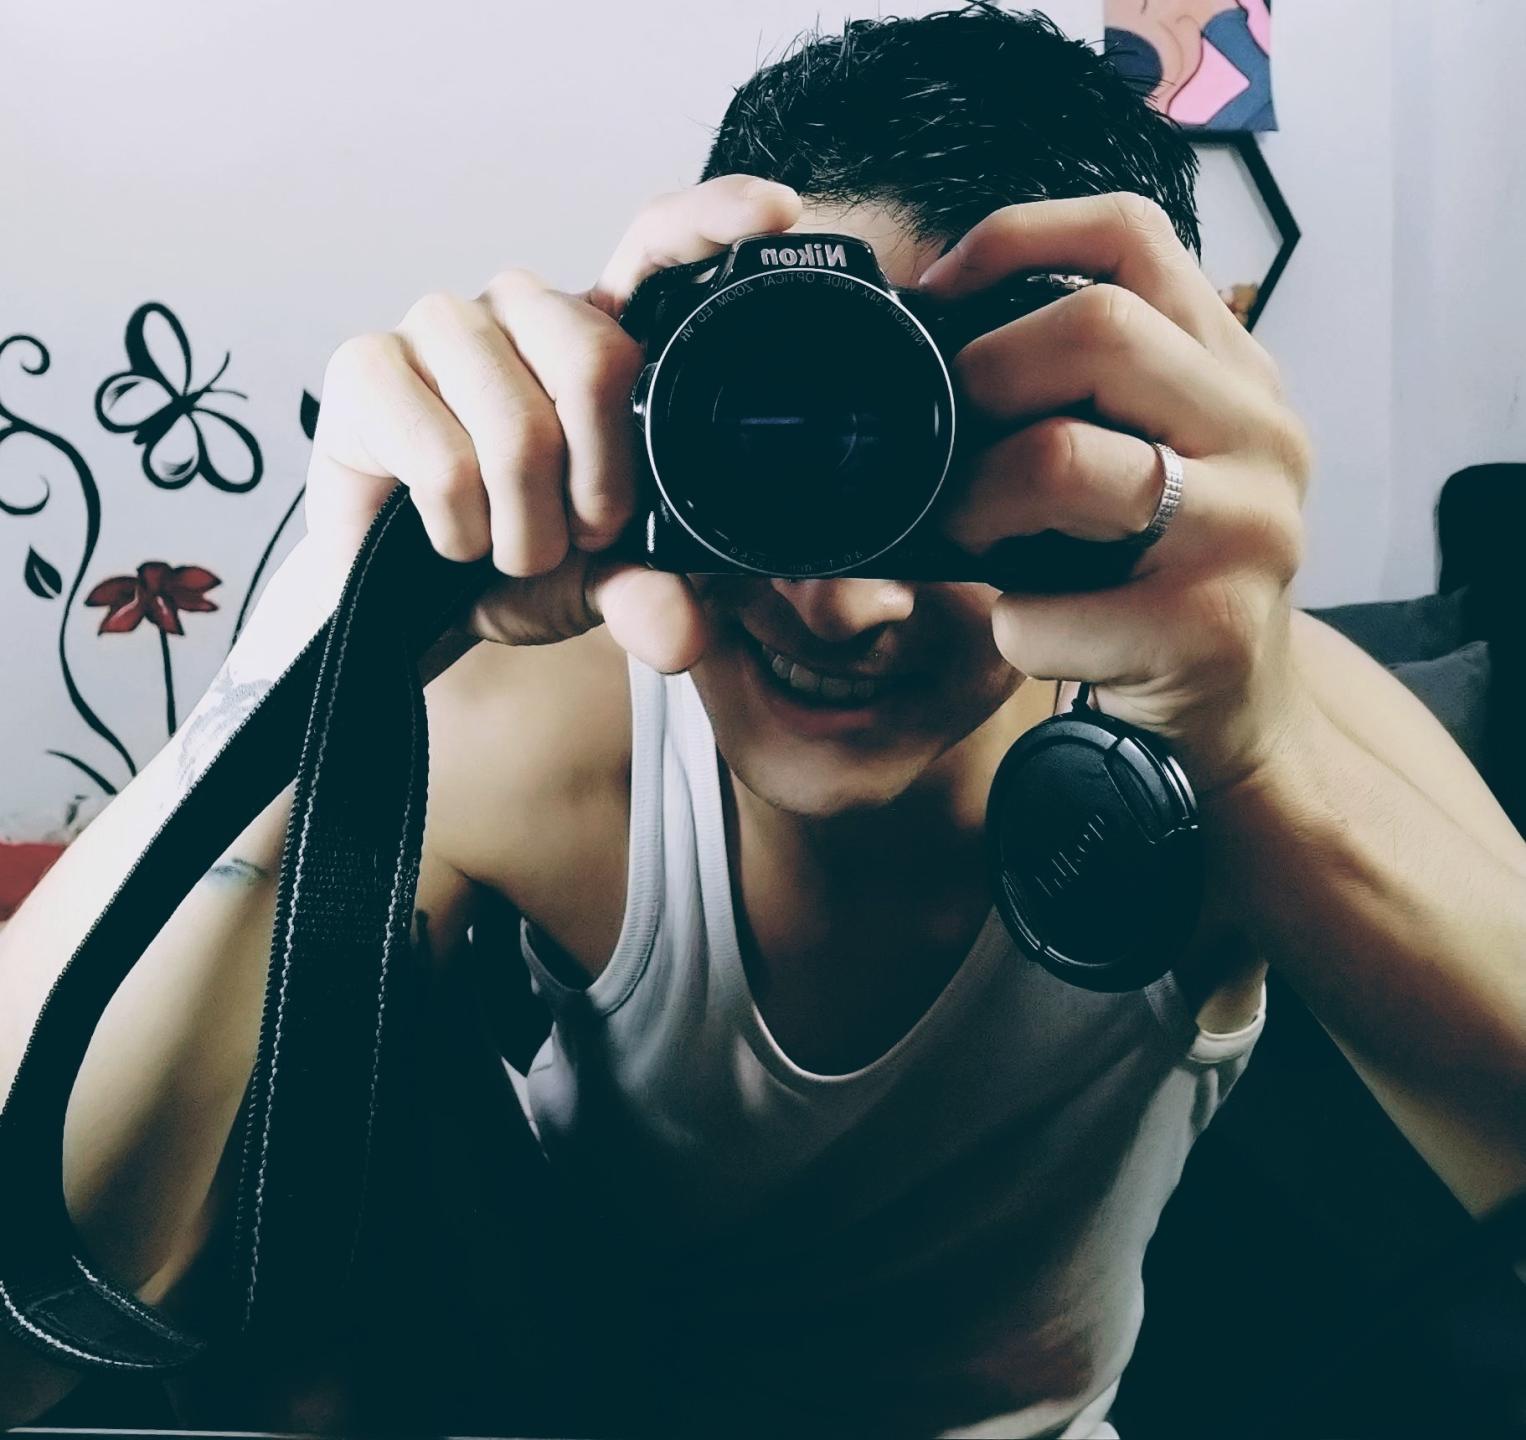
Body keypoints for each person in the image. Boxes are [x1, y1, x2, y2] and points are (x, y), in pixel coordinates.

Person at [2, 6, 1523, 1436]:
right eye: (791, 436)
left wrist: (1254, 757)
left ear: (1123, 443)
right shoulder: (529, 723)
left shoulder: (1231, 712)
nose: (846, 604)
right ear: (663, 396)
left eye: (955, 463)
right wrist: (311, 673)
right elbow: (32, 1346)